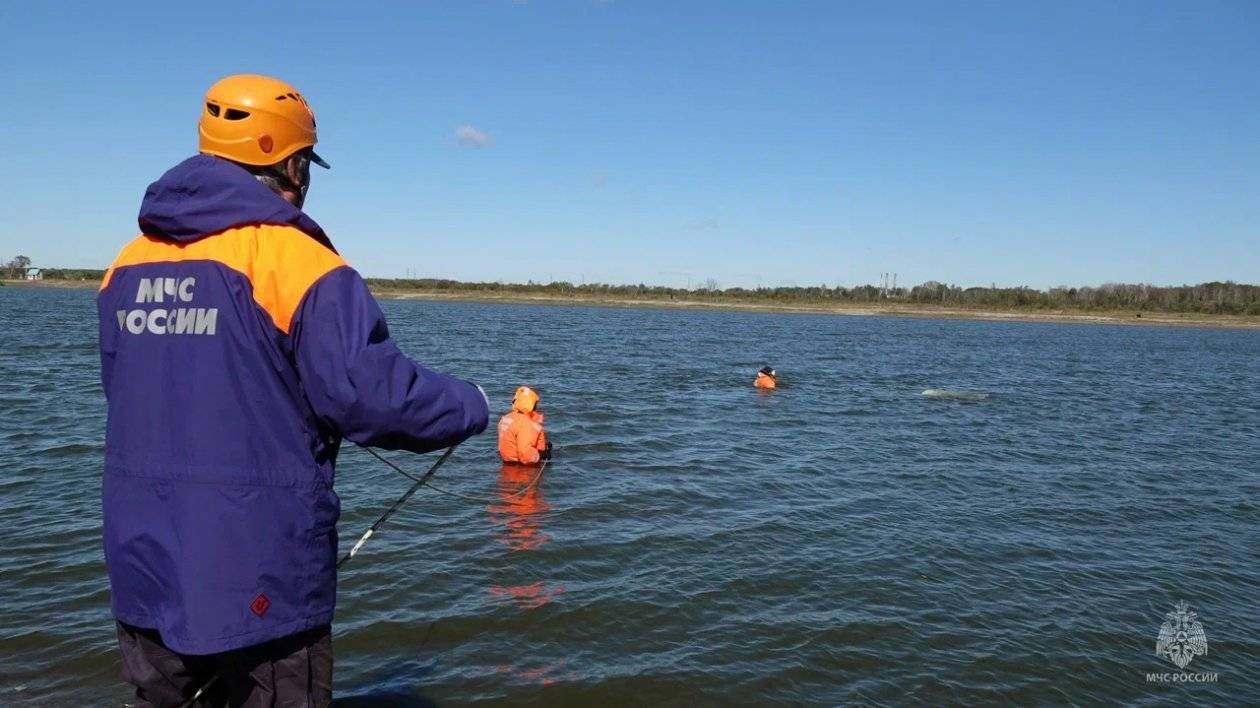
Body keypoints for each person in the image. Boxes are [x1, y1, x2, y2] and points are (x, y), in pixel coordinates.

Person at [97, 74, 490, 706]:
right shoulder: (297, 261)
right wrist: (471, 403)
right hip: (260, 576)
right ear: (292, 162)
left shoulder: (126, 262)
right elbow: (371, 395)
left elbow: (125, 390)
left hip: (143, 564)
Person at [497, 386, 551, 465]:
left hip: (506, 466)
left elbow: (513, 442)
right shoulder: (527, 424)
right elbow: (526, 455)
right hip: (521, 470)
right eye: (535, 403)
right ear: (531, 404)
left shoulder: (506, 418)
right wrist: (542, 455)